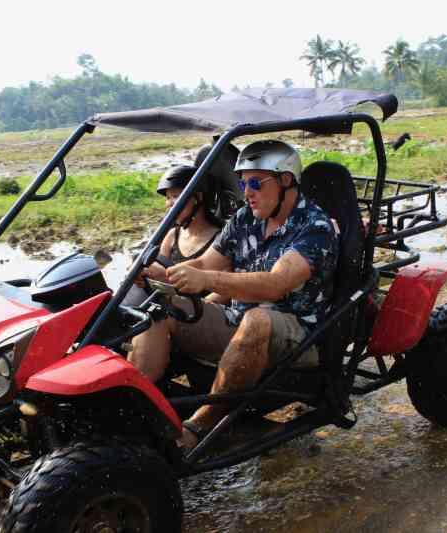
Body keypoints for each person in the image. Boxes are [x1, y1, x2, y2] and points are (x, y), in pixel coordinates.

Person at [128, 140, 339, 450]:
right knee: (161, 307)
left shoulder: (315, 227)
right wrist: (166, 274)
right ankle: (136, 408)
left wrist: (207, 279)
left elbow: (276, 284)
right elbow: (204, 263)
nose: (247, 192)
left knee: (257, 320)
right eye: (243, 183)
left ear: (286, 180)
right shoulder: (245, 218)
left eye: (255, 182)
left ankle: (200, 427)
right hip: (236, 320)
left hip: (299, 332)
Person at [122, 164, 223, 305]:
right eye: (167, 197)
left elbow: (224, 291)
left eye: (175, 196)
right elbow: (160, 270)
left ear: (197, 198)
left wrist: (194, 308)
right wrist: (145, 274)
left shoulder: (220, 238)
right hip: (172, 303)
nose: (169, 203)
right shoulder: (172, 235)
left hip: (201, 310)